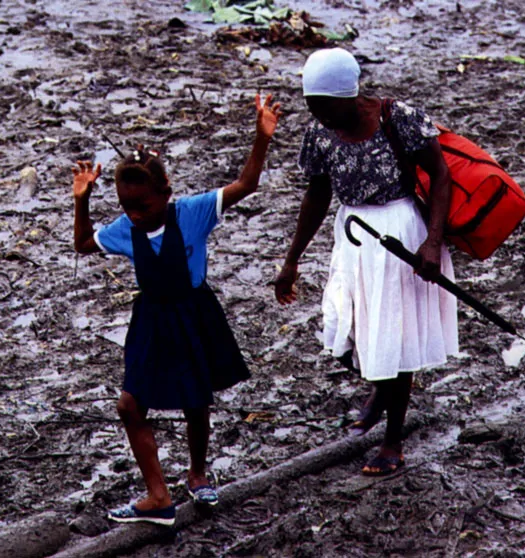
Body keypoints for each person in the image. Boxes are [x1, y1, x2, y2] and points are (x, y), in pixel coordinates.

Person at [71, 94, 281, 525]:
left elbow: (247, 184)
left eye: (143, 205)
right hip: (151, 319)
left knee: (195, 399)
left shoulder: (193, 213)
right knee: (130, 405)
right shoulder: (124, 229)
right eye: (126, 206)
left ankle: (198, 475)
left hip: (193, 313)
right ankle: (157, 496)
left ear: (166, 193)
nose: (135, 214)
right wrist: (81, 200)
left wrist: (260, 139)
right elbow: (82, 244)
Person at [275, 48, 458, 476]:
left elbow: (442, 174)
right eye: (311, 107)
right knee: (342, 326)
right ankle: (380, 387)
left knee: (394, 335)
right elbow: (317, 195)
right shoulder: (320, 133)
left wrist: (432, 243)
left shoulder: (398, 117)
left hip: (401, 233)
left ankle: (393, 441)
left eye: (324, 106)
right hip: (354, 234)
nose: (318, 116)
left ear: (351, 95)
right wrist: (291, 261)